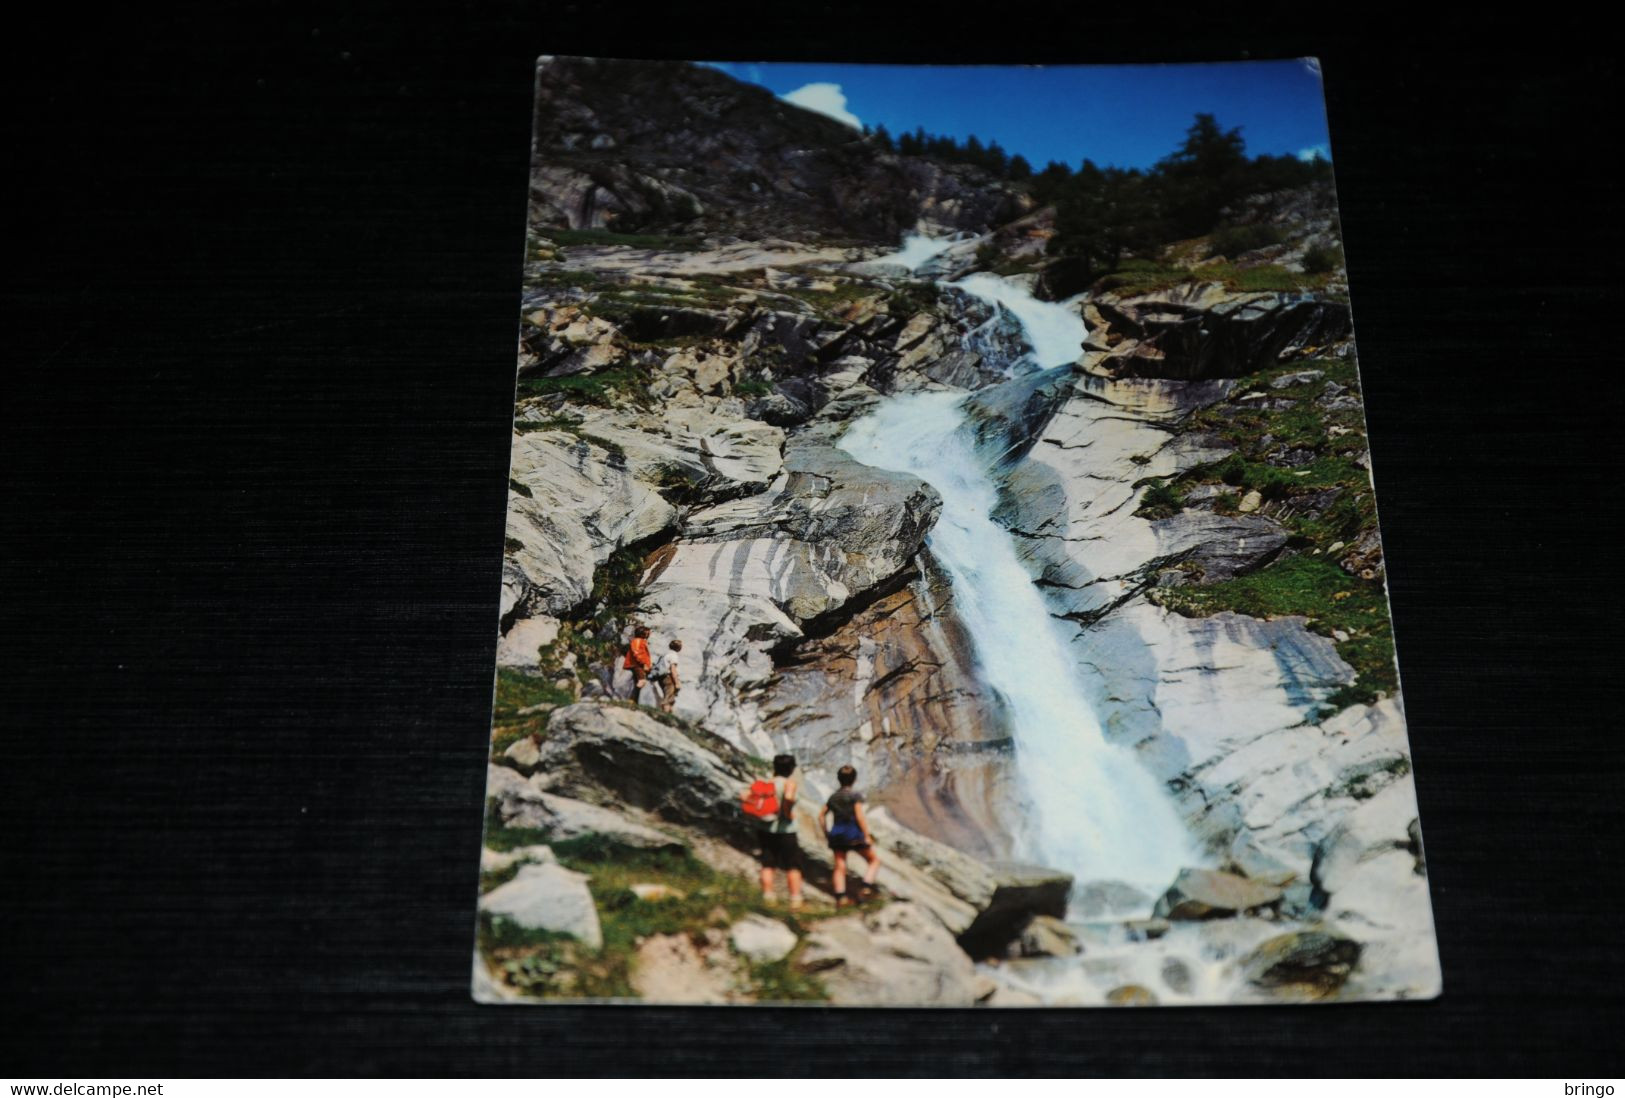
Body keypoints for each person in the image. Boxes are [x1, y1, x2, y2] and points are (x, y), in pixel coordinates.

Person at [819, 764, 880, 907]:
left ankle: (840, 897)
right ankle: (865, 887)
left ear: (838, 779)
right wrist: (866, 835)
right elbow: (859, 816)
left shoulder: (833, 797)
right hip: (853, 833)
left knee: (840, 866)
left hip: (837, 834)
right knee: (874, 860)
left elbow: (821, 816)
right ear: (854, 779)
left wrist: (827, 833)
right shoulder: (855, 796)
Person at [756, 754, 803, 910]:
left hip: (766, 828)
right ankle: (795, 899)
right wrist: (787, 813)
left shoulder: (767, 784)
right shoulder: (789, 783)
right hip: (786, 830)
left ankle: (768, 896)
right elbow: (788, 798)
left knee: (768, 863)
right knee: (792, 865)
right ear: (791, 769)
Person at [622, 625, 652, 703]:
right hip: (637, 665)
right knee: (642, 681)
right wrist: (644, 664)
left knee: (638, 682)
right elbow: (637, 653)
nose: (649, 634)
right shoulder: (638, 640)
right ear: (642, 633)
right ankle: (632, 699)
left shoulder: (641, 641)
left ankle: (635, 701)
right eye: (647, 633)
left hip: (638, 664)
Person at [651, 638, 682, 713]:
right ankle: (664, 715)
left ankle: (669, 715)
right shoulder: (673, 655)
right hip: (669, 678)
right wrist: (677, 683)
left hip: (661, 677)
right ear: (679, 648)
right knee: (668, 698)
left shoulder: (665, 655)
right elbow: (673, 670)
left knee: (669, 696)